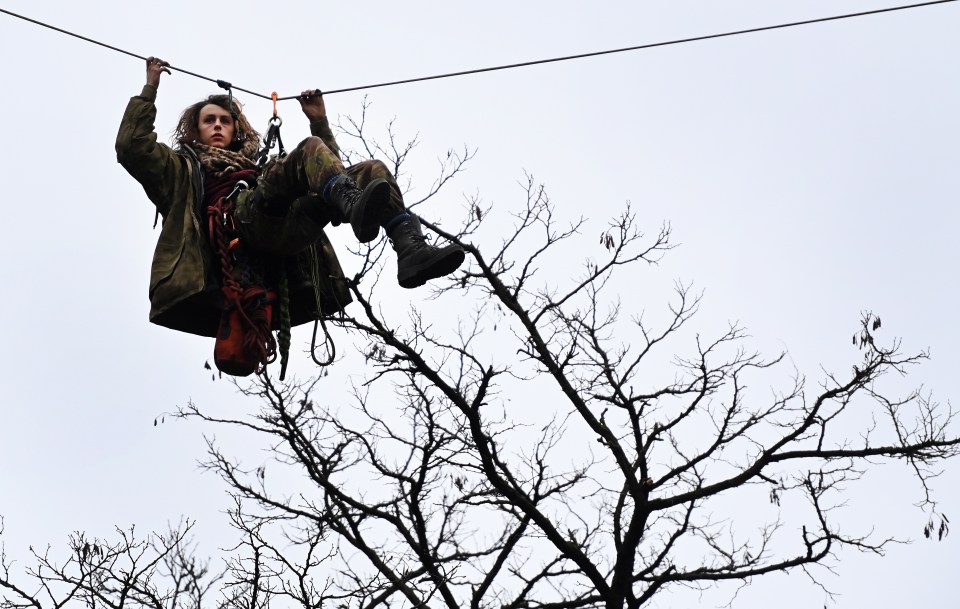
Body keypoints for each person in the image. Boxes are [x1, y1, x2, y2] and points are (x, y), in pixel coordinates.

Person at [116, 57, 464, 372]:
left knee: (371, 171)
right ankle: (352, 206)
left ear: (237, 130)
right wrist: (150, 89)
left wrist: (319, 122)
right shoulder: (179, 169)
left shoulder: (256, 168)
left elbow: (327, 168)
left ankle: (410, 249)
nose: (218, 125)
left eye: (225, 120)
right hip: (244, 223)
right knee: (308, 154)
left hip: (286, 228)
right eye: (210, 121)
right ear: (197, 129)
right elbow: (132, 148)